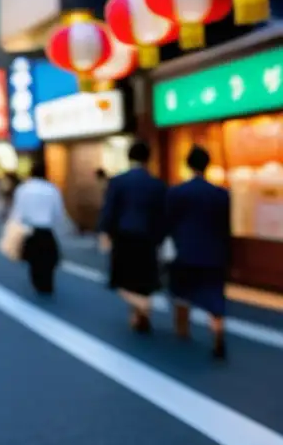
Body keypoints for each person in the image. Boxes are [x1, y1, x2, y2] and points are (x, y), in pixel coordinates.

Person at [166, 145, 231, 359]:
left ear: (188, 165)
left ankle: (182, 331)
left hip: (184, 251)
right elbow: (225, 226)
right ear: (207, 165)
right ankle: (218, 331)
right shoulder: (221, 194)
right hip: (214, 253)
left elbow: (169, 223)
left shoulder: (176, 192)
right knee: (214, 295)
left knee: (182, 293)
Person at [98, 140, 167, 333]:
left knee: (123, 279)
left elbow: (109, 210)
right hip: (148, 238)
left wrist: (105, 233)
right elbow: (162, 215)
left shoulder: (118, 181)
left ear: (129, 157)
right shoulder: (157, 184)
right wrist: (160, 238)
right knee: (144, 279)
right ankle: (140, 314)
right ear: (148, 158)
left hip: (124, 237)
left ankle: (140, 308)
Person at [8, 160, 71, 294]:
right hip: (47, 230)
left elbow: (18, 212)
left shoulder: (23, 189)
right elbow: (58, 212)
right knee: (49, 259)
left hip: (30, 229)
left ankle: (37, 283)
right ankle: (47, 284)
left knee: (33, 259)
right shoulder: (52, 189)